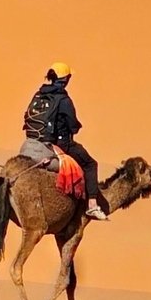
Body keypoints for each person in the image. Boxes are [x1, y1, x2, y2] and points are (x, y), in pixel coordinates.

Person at [24, 62, 108, 221]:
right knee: (90, 164)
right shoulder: (63, 99)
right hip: (60, 144)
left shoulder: (40, 94)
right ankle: (92, 204)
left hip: (34, 140)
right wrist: (75, 127)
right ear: (65, 79)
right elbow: (72, 124)